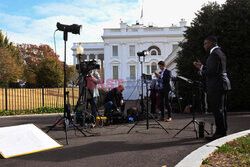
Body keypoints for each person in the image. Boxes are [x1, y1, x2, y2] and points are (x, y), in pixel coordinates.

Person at [193, 36, 231, 141]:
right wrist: (201, 67)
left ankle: (220, 133)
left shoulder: (214, 54)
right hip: (222, 84)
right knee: (221, 109)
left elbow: (212, 72)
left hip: (217, 85)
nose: (204, 45)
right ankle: (222, 131)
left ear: (212, 43)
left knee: (217, 110)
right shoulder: (219, 52)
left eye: (206, 43)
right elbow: (213, 69)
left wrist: (201, 72)